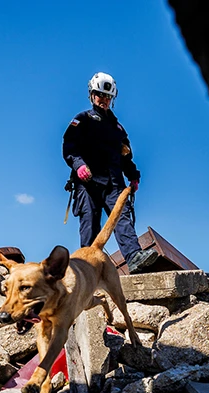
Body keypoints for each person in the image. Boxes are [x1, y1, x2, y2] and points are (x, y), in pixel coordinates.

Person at [62, 72, 158, 274]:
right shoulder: (83, 120)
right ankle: (86, 270)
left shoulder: (118, 129)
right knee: (90, 227)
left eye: (107, 97)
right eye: (99, 95)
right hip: (87, 185)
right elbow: (69, 147)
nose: (103, 100)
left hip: (114, 184)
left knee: (121, 218)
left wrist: (133, 176)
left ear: (112, 98)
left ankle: (134, 258)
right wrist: (79, 165)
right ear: (92, 95)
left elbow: (125, 156)